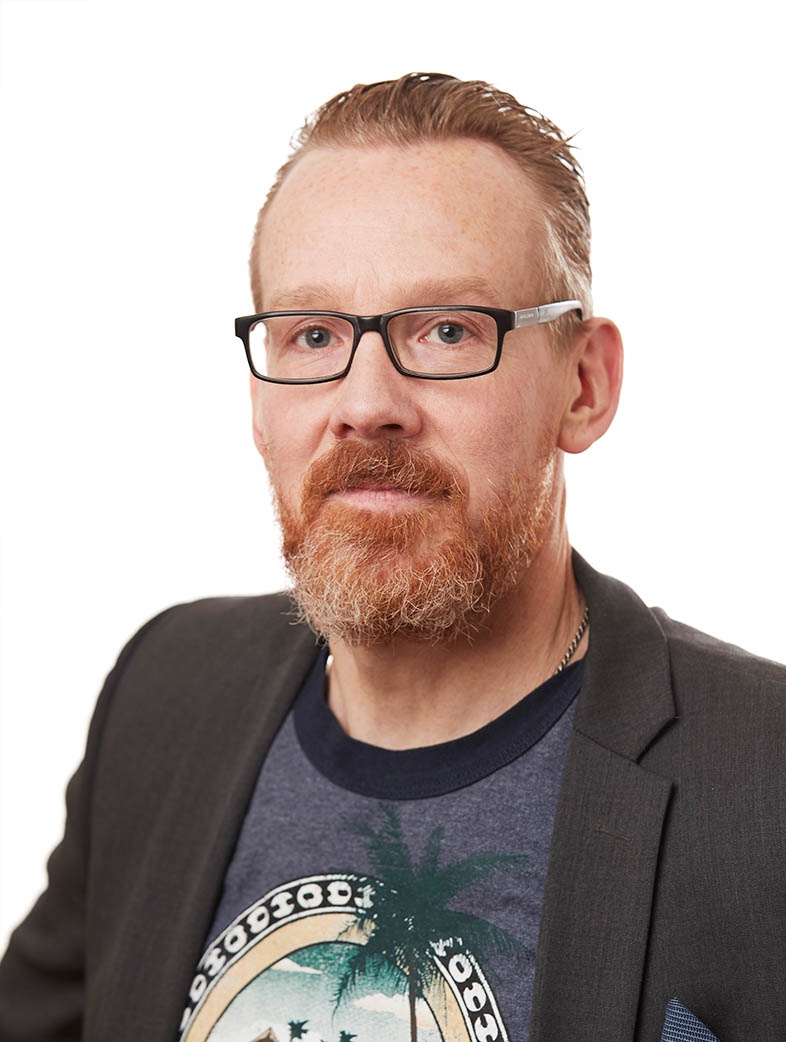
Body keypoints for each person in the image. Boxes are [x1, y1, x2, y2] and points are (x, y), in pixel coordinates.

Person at [1, 72, 785, 1042]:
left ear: (585, 385)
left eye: (448, 330)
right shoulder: (163, 695)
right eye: (312, 334)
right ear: (259, 399)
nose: (366, 403)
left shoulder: (765, 778)